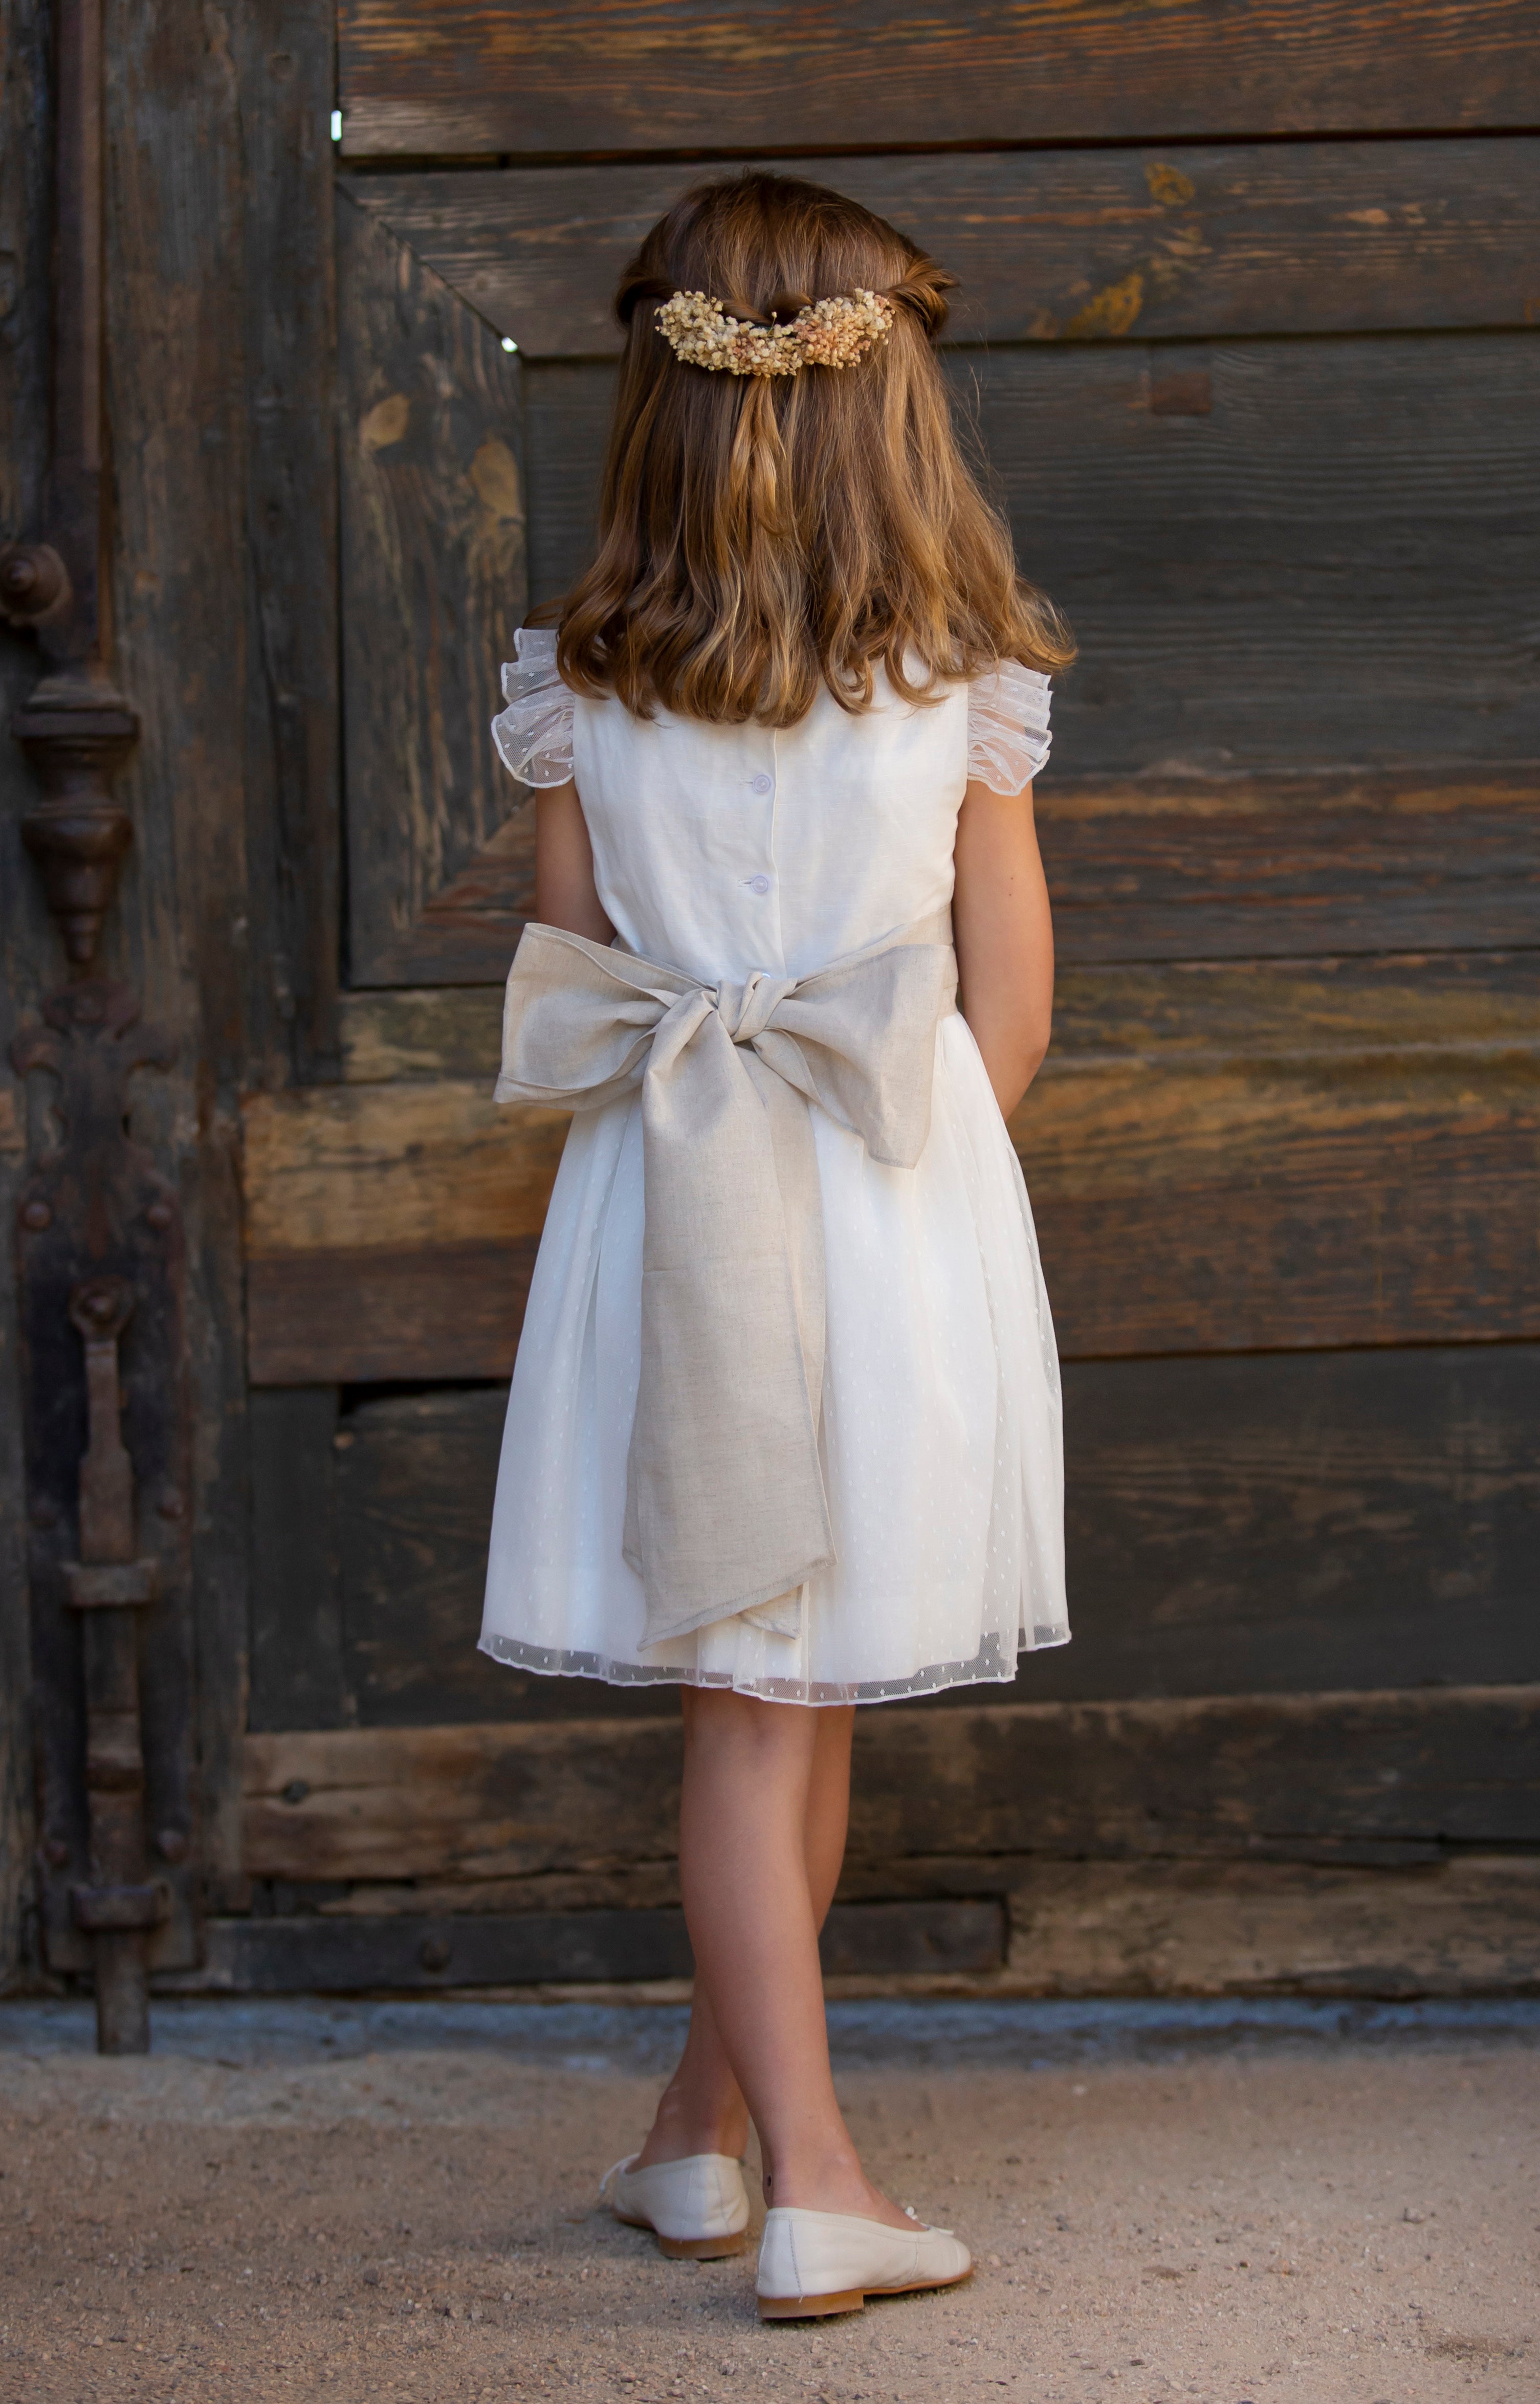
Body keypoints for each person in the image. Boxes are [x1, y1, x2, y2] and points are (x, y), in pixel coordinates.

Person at [479, 170, 1073, 2322]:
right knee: (769, 1705)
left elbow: (572, 963)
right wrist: (905, 1208)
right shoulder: (959, 682)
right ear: (893, 409)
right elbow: (1003, 1011)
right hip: (891, 1193)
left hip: (669, 1203)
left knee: (774, 1694)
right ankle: (819, 2176)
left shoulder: (584, 686)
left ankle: (700, 2131)